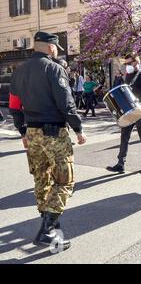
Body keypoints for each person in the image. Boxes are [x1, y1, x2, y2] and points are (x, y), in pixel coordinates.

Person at [9, 31, 87, 251]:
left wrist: (23, 132)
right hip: (54, 133)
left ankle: (50, 225)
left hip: (32, 134)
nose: (56, 51)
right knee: (65, 181)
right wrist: (79, 129)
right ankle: (47, 230)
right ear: (51, 47)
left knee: (41, 179)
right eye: (56, 48)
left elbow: (14, 106)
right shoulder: (54, 69)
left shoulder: (19, 71)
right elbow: (66, 103)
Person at [106, 54, 141, 174]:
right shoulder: (127, 76)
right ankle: (120, 164)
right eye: (126, 64)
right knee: (124, 138)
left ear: (136, 62)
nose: (127, 66)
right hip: (129, 112)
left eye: (129, 63)